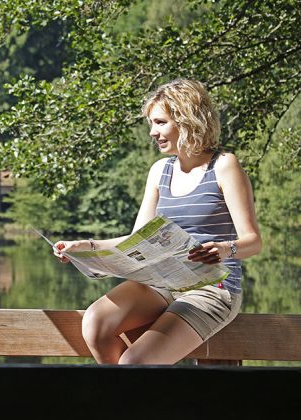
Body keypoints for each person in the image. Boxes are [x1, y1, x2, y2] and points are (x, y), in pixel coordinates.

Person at [53, 79, 262, 364]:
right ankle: (129, 403)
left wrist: (225, 250)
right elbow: (137, 239)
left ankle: (133, 403)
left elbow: (253, 242)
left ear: (187, 119)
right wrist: (86, 247)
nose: (153, 132)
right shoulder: (159, 171)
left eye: (160, 123)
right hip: (163, 281)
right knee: (96, 322)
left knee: (134, 362)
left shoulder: (224, 165)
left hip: (213, 288)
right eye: (152, 124)